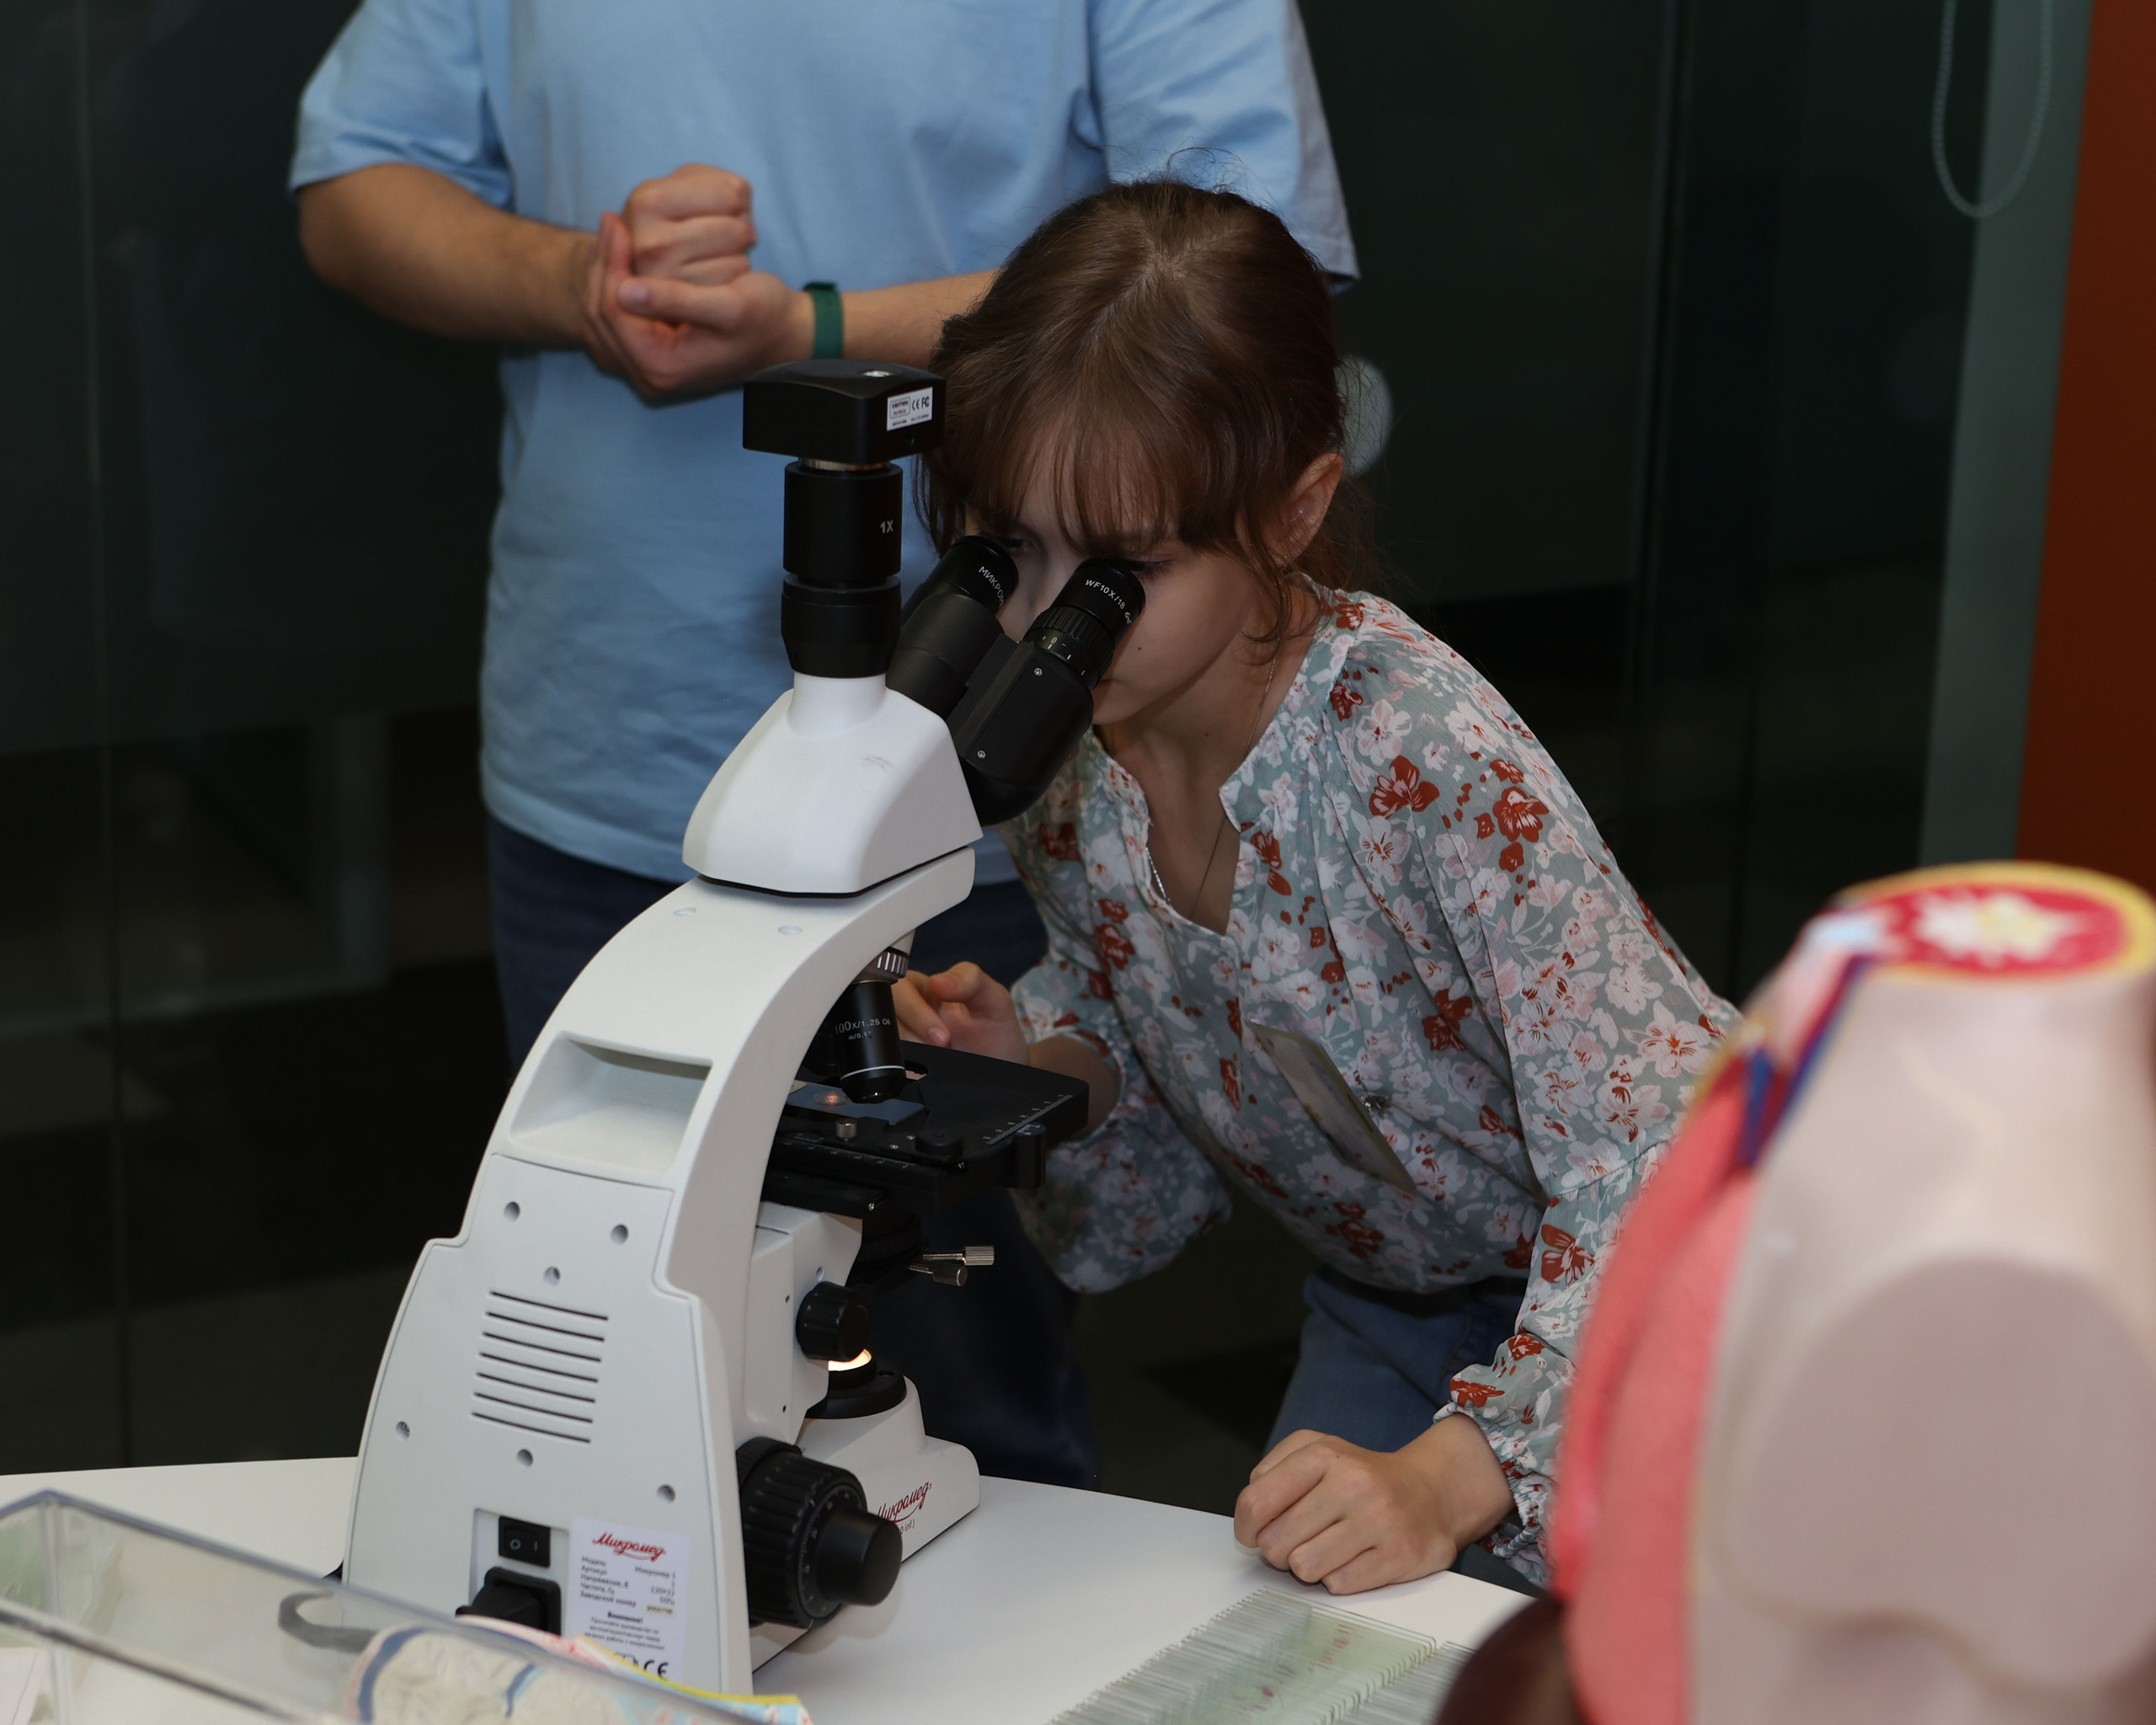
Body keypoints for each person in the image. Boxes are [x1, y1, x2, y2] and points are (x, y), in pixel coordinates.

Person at [286, 6, 1357, 1489]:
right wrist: (584, 282)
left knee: (962, 1410)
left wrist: (814, 332)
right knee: (592, 1381)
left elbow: (1250, 266)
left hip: (990, 793)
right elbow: (353, 187)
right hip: (604, 753)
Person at [894, 180, 1738, 1589]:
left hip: (1661, 1302)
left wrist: (1449, 1477)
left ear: (1292, 512)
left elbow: (1663, 1155)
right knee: (1289, 1644)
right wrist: (1039, 1066)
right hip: (1396, 1303)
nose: (1046, 620)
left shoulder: (1421, 756)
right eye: (1008, 553)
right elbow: (1168, 1064)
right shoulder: (1069, 762)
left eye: (1119, 572)